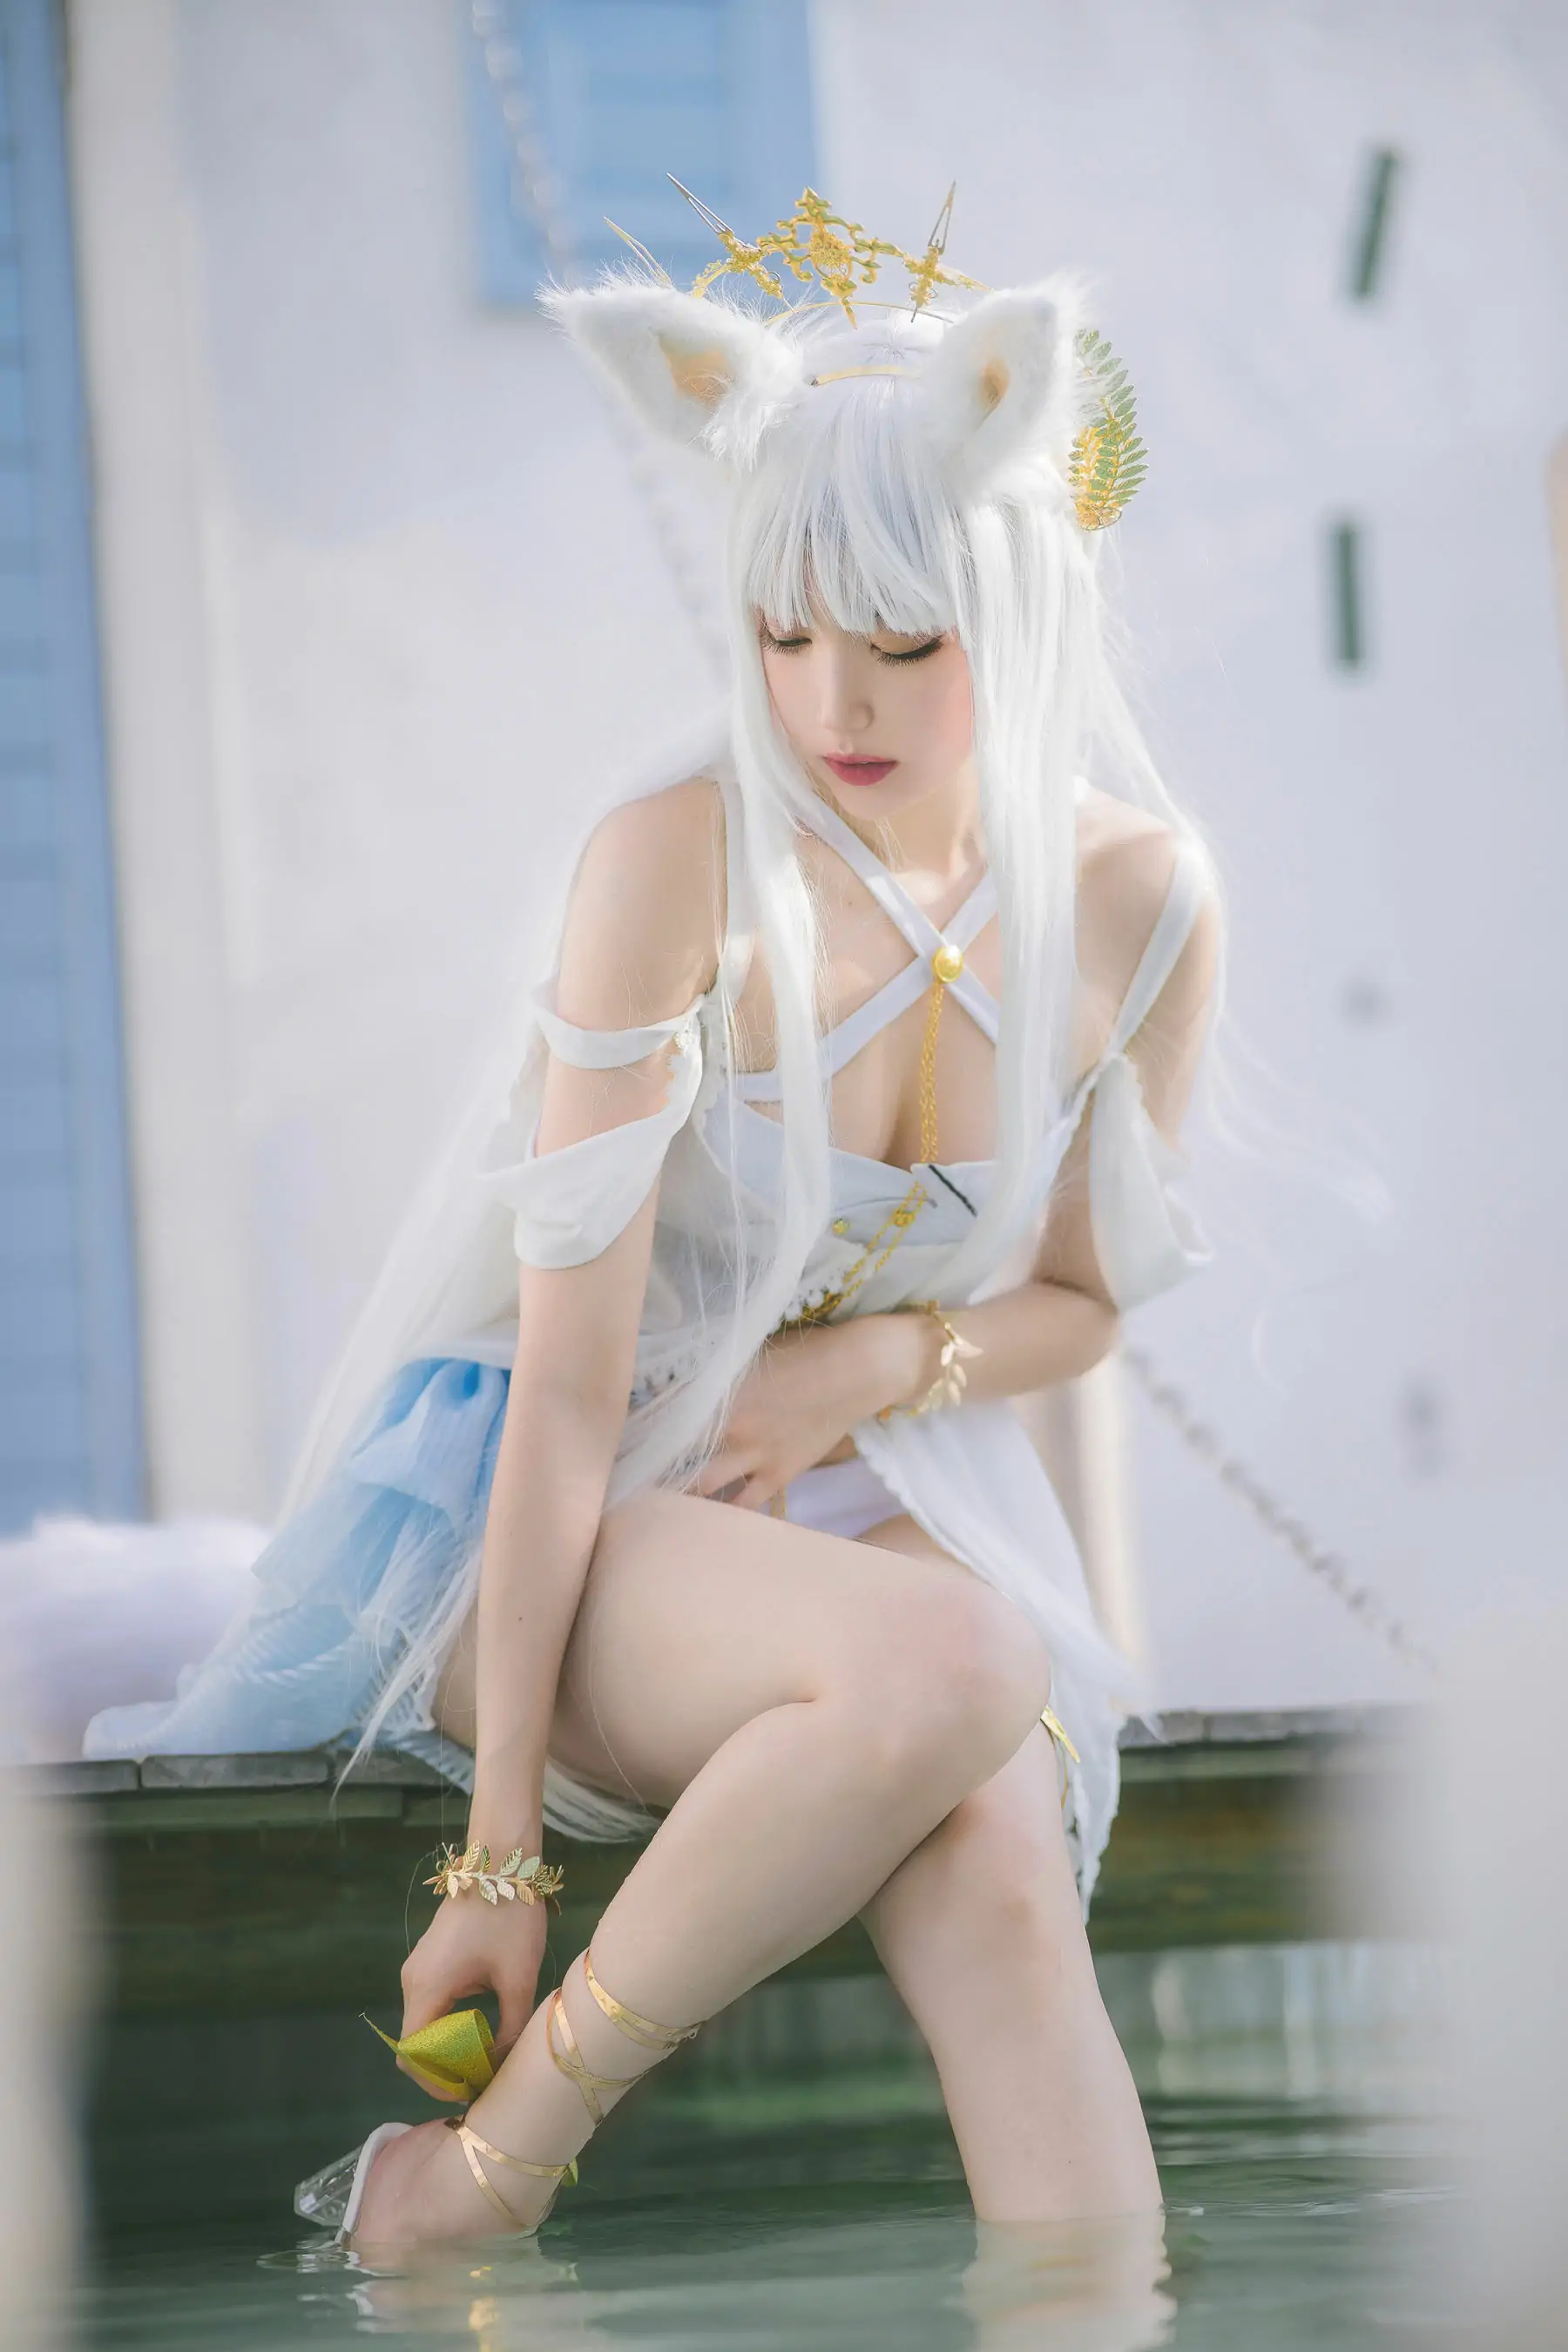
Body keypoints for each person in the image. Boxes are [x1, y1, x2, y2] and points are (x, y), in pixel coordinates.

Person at [89, 195, 1222, 2248]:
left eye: (903, 642)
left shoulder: (1142, 905)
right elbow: (561, 1395)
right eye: (783, 633)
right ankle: (491, 2172)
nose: (831, 702)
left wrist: (867, 1371)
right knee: (966, 1661)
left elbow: (1078, 1301)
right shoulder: (675, 865)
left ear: (1024, 608)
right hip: (575, 1518)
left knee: (997, 1846)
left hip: (885, 1502)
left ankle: (1095, 2299)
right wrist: (497, 1851)